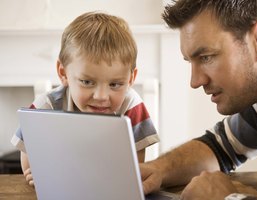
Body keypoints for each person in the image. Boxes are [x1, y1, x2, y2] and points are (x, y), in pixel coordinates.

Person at [140, 0, 257, 199]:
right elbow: (220, 147)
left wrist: (229, 198)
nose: (195, 81)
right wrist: (156, 170)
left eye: (206, 57)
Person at [11, 11, 159, 186]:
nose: (101, 97)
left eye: (115, 84)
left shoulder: (131, 105)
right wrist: (39, 174)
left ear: (130, 79)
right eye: (87, 82)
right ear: (63, 73)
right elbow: (29, 151)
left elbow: (137, 163)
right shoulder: (46, 105)